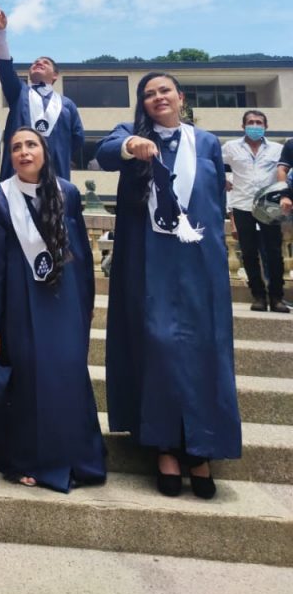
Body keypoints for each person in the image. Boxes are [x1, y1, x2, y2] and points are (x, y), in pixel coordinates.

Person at [96, 72, 241, 499]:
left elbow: (214, 203)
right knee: (156, 344)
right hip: (148, 260)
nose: (157, 97)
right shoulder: (130, 134)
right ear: (142, 104)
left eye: (164, 91)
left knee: (201, 348)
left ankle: (200, 449)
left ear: (180, 97)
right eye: (149, 93)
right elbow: (105, 153)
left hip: (197, 259)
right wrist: (131, 147)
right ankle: (164, 446)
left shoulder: (207, 143)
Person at [0, 127, 106, 492]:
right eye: (15, 148)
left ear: (45, 150)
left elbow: (81, 254)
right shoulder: (1, 200)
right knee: (29, 382)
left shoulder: (69, 193)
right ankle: (28, 460)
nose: (23, 152)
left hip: (64, 305)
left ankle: (77, 458)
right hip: (19, 304)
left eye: (31, 145)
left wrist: (86, 307)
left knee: (68, 378)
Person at [0, 7, 84, 180]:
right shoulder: (19, 92)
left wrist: (57, 150)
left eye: (45, 63)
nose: (39, 63)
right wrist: (1, 31)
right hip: (17, 175)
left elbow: (77, 138)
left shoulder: (67, 105)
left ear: (55, 75)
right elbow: (4, 67)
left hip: (55, 177)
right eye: (35, 62)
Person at [223, 111, 288, 313]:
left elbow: (285, 172)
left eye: (258, 122)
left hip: (269, 207)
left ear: (265, 126)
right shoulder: (230, 147)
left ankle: (277, 297)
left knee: (274, 252)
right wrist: (221, 179)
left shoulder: (278, 149)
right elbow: (212, 163)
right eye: (250, 122)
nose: (254, 125)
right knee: (249, 253)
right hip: (242, 205)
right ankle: (258, 296)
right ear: (243, 127)